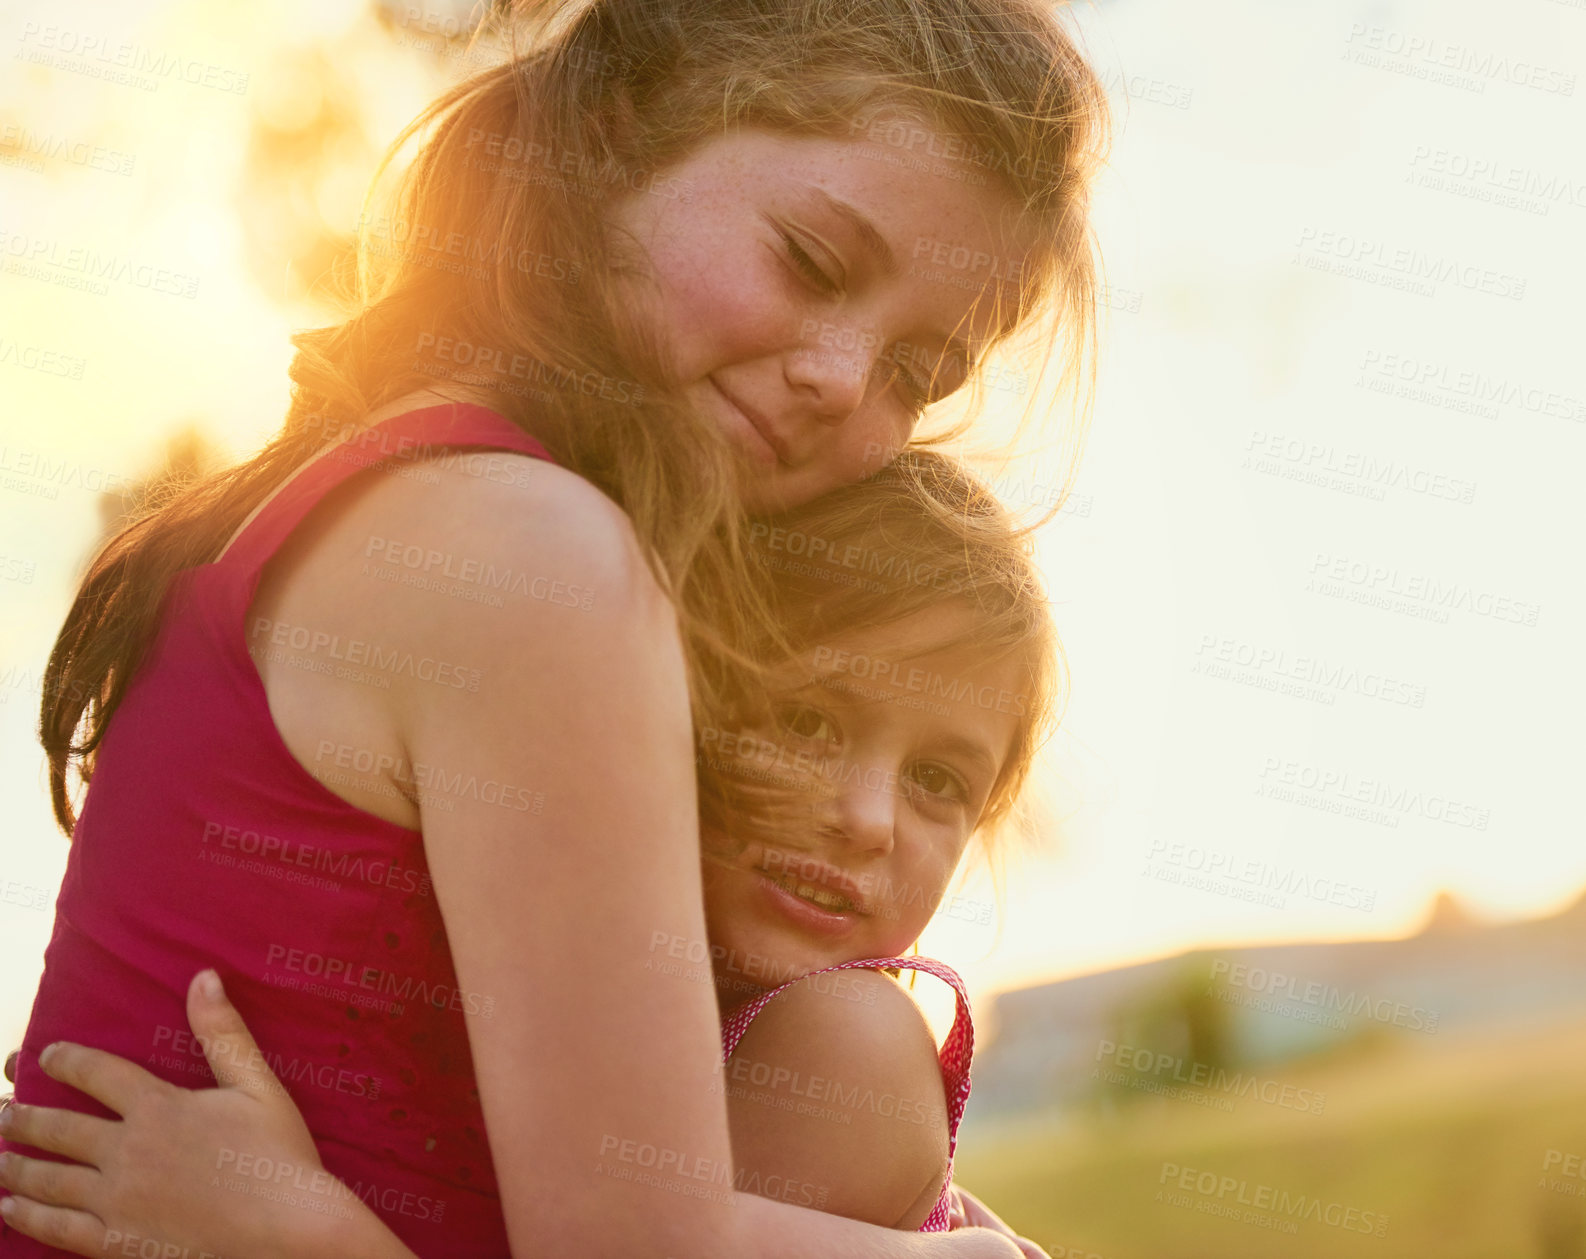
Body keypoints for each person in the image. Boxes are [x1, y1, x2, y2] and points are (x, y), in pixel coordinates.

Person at [0, 0, 1106, 1254]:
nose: (843, 379)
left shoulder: (381, 482)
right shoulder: (535, 553)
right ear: (623, 134)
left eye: (919, 371)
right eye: (808, 259)